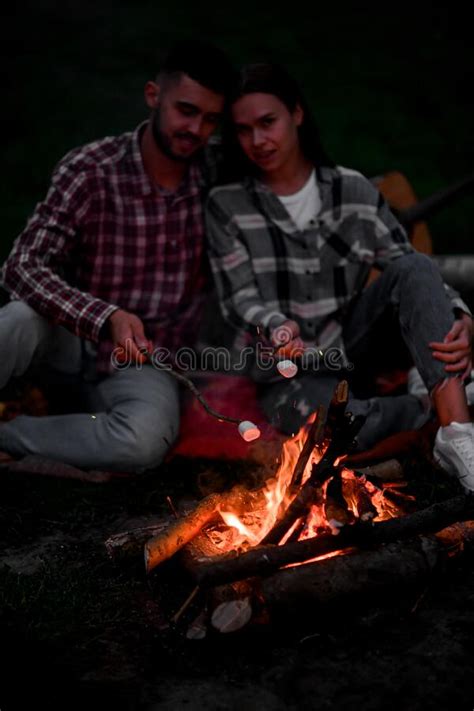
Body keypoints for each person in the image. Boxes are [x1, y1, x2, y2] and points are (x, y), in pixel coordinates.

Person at [206, 63, 474, 492]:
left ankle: (460, 434)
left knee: (417, 265)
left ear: (296, 114)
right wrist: (275, 325)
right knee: (321, 431)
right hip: (288, 373)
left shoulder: (351, 190)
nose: (257, 141)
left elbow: (408, 266)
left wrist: (461, 315)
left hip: (351, 345)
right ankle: (427, 405)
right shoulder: (227, 205)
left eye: (267, 122)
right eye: (243, 130)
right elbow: (239, 297)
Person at [0, 40, 235, 472]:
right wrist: (105, 316)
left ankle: (12, 435)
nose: (196, 129)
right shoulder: (92, 168)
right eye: (186, 110)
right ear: (153, 96)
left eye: (211, 120)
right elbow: (21, 266)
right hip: (70, 339)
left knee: (145, 441)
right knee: (16, 320)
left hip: (146, 362)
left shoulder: (218, 174)